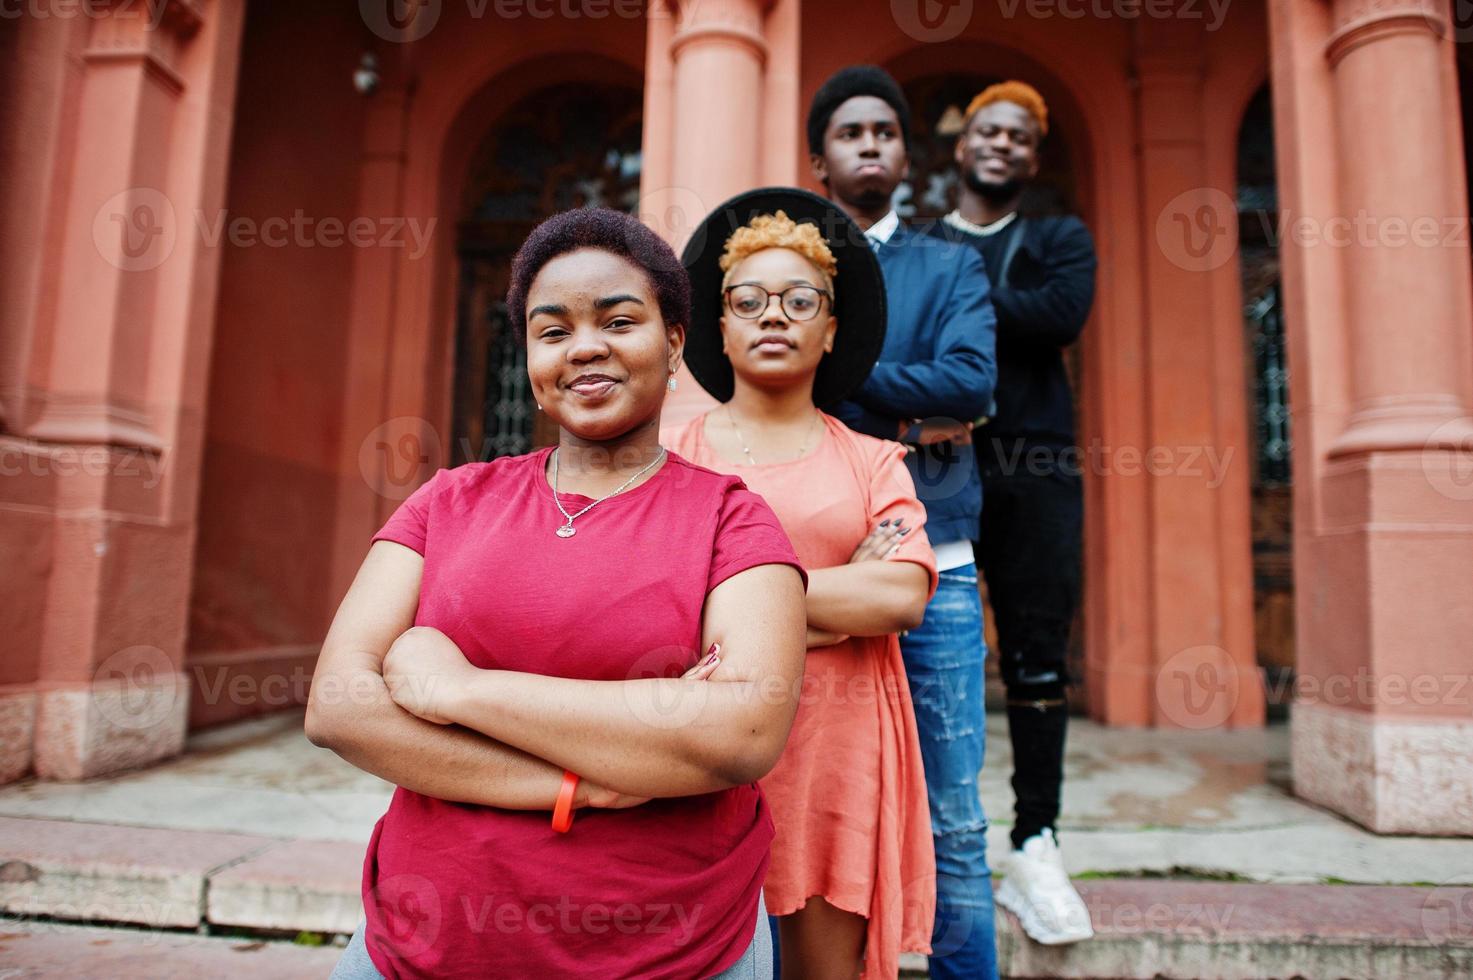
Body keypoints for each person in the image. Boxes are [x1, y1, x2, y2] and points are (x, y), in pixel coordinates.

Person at [306, 207, 809, 979]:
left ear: (674, 342)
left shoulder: (729, 517)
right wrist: (584, 783)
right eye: (552, 330)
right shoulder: (447, 502)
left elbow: (740, 735)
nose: (585, 347)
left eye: (618, 319)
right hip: (424, 944)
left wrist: (459, 689)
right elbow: (340, 705)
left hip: (672, 948)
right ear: (531, 360)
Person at [667, 188, 937, 980]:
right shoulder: (672, 459)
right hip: (701, 750)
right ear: (720, 325)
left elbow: (900, 597)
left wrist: (737, 600)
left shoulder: (872, 460)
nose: (773, 316)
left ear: (829, 328)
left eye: (798, 300)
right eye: (747, 301)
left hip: (837, 750)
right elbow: (660, 605)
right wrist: (835, 597)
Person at [807, 65, 1000, 980]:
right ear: (821, 160)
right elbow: (764, 383)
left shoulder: (950, 263)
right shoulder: (791, 271)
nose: (870, 143)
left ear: (905, 155)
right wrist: (904, 406)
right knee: (796, 795)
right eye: (851, 132)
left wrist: (839, 373)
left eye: (884, 130)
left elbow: (970, 381)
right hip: (805, 571)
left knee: (953, 813)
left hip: (940, 564)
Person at [933, 80, 1098, 946]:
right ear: (962, 147)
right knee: (927, 653)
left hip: (1035, 469)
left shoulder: (1058, 238)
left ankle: (1036, 843)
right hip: (937, 470)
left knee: (1037, 663)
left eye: (1020, 136)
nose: (1001, 143)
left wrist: (952, 297)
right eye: (987, 129)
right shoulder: (923, 242)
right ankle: (929, 847)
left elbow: (1058, 316)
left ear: (1032, 158)